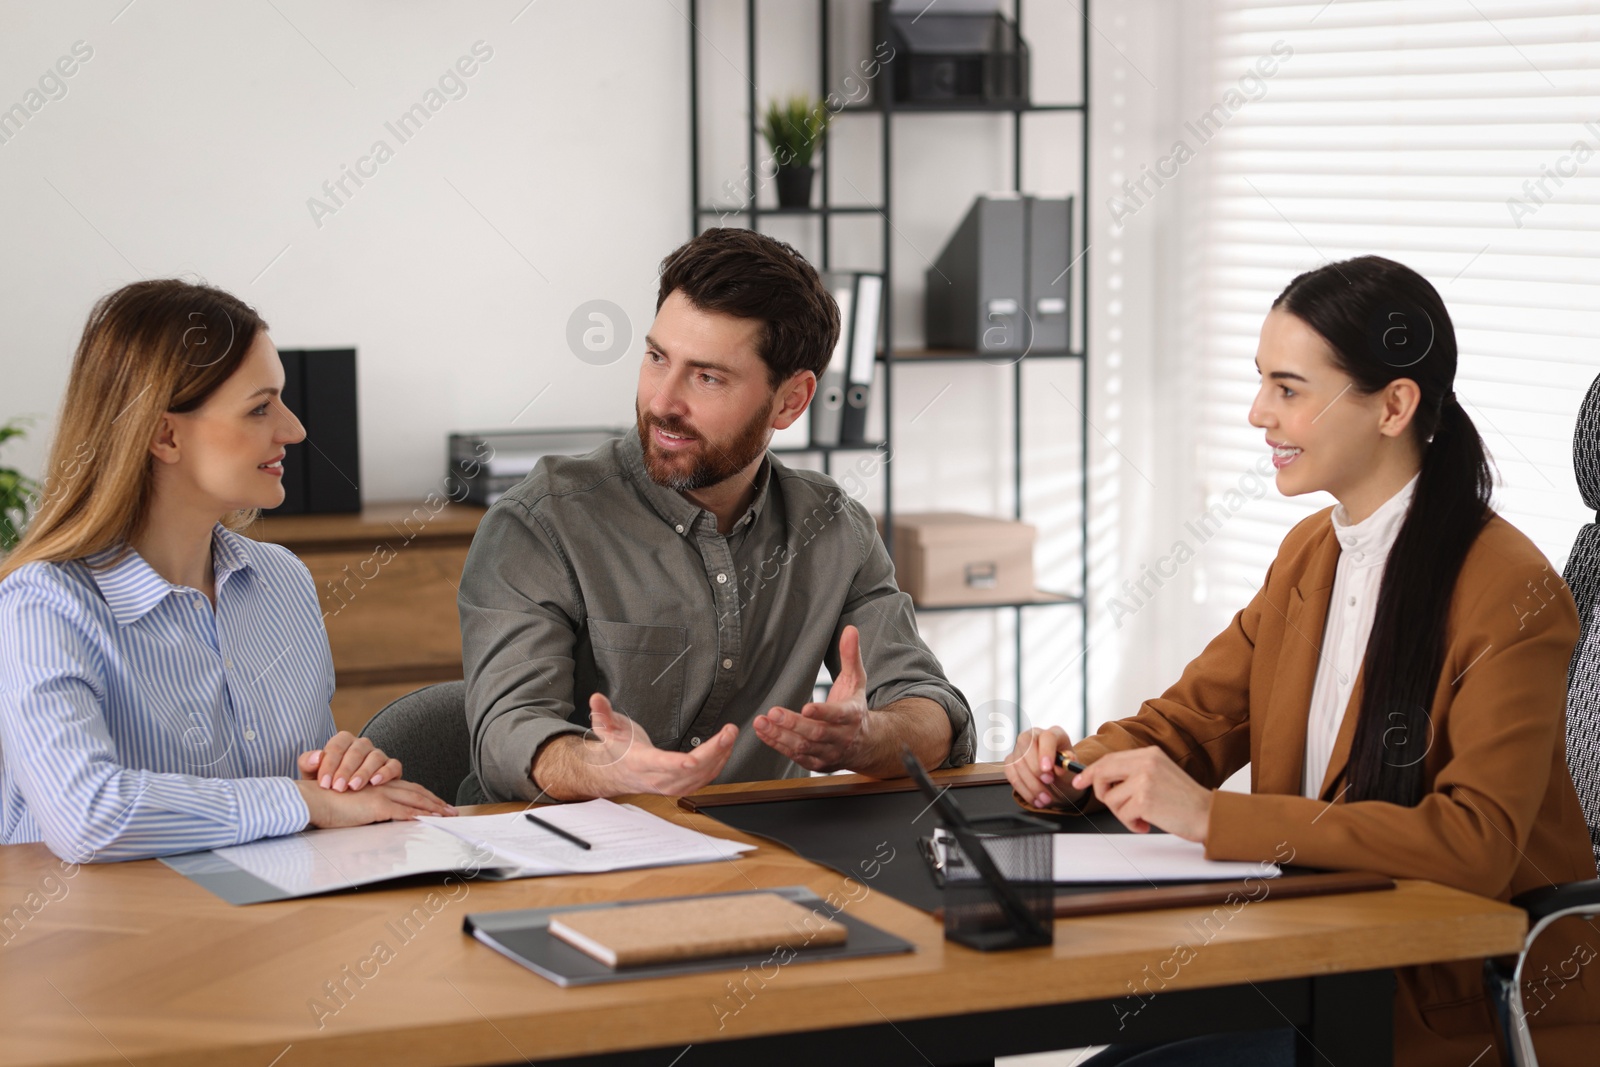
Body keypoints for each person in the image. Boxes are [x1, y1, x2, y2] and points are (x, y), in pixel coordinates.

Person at [1005, 256, 1598, 1067]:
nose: (1258, 413)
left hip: (1444, 1005)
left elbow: (1477, 840)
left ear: (1394, 405)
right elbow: (1193, 720)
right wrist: (1077, 764)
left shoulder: (1510, 589)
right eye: (1262, 383)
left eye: (1289, 389)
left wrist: (1214, 817)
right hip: (1310, 962)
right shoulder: (1311, 554)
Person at [459, 227, 974, 802]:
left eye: (707, 377)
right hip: (568, 869)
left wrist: (868, 738)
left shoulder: (833, 529)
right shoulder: (541, 522)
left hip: (759, 867)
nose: (662, 402)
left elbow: (934, 713)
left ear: (792, 400)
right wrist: (608, 771)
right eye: (657, 358)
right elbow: (505, 734)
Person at [0, 279, 456, 863]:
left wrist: (342, 777)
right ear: (165, 434)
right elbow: (88, 816)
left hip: (269, 918)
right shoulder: (43, 605)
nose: (294, 430)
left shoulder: (281, 580)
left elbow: (307, 796)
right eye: (260, 407)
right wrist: (304, 802)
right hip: (107, 938)